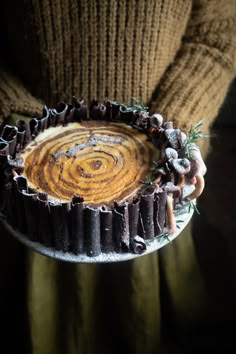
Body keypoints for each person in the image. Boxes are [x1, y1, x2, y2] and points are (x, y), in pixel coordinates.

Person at [0, 1, 236, 353]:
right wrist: (27, 137)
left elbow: (216, 35)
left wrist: (172, 134)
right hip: (34, 198)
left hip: (154, 194)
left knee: (146, 318)